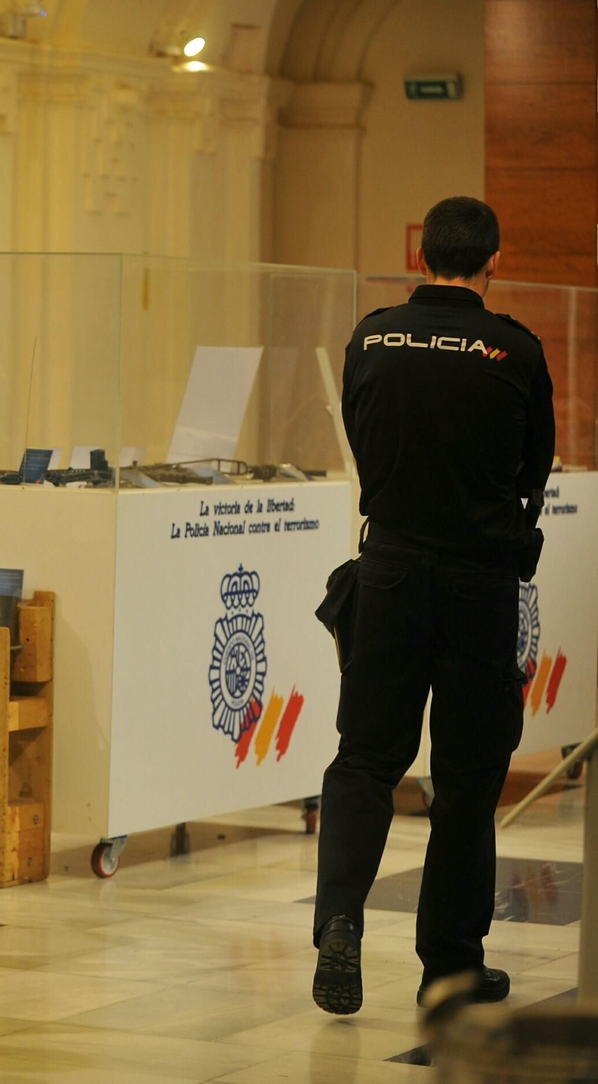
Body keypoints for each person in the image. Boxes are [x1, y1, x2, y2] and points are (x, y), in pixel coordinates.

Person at [312, 196, 555, 1015]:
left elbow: (360, 435)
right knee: (464, 780)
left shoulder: (371, 338)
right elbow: (533, 473)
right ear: (493, 260)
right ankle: (449, 968)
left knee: (365, 761)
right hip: (477, 586)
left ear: (421, 258)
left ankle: (340, 925)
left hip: (386, 576)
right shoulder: (514, 351)